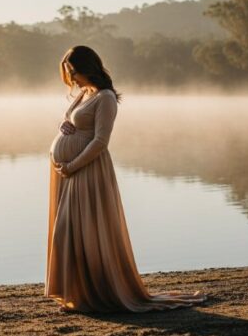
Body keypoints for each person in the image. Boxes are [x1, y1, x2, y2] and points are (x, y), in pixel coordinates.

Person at [46, 45, 207, 313]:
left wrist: (73, 165)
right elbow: (76, 125)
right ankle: (78, 295)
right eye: (69, 73)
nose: (72, 79)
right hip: (71, 172)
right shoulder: (86, 94)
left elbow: (100, 141)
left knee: (84, 231)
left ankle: (94, 295)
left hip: (87, 171)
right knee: (70, 232)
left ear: (88, 67)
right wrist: (64, 127)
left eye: (74, 72)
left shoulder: (105, 97)